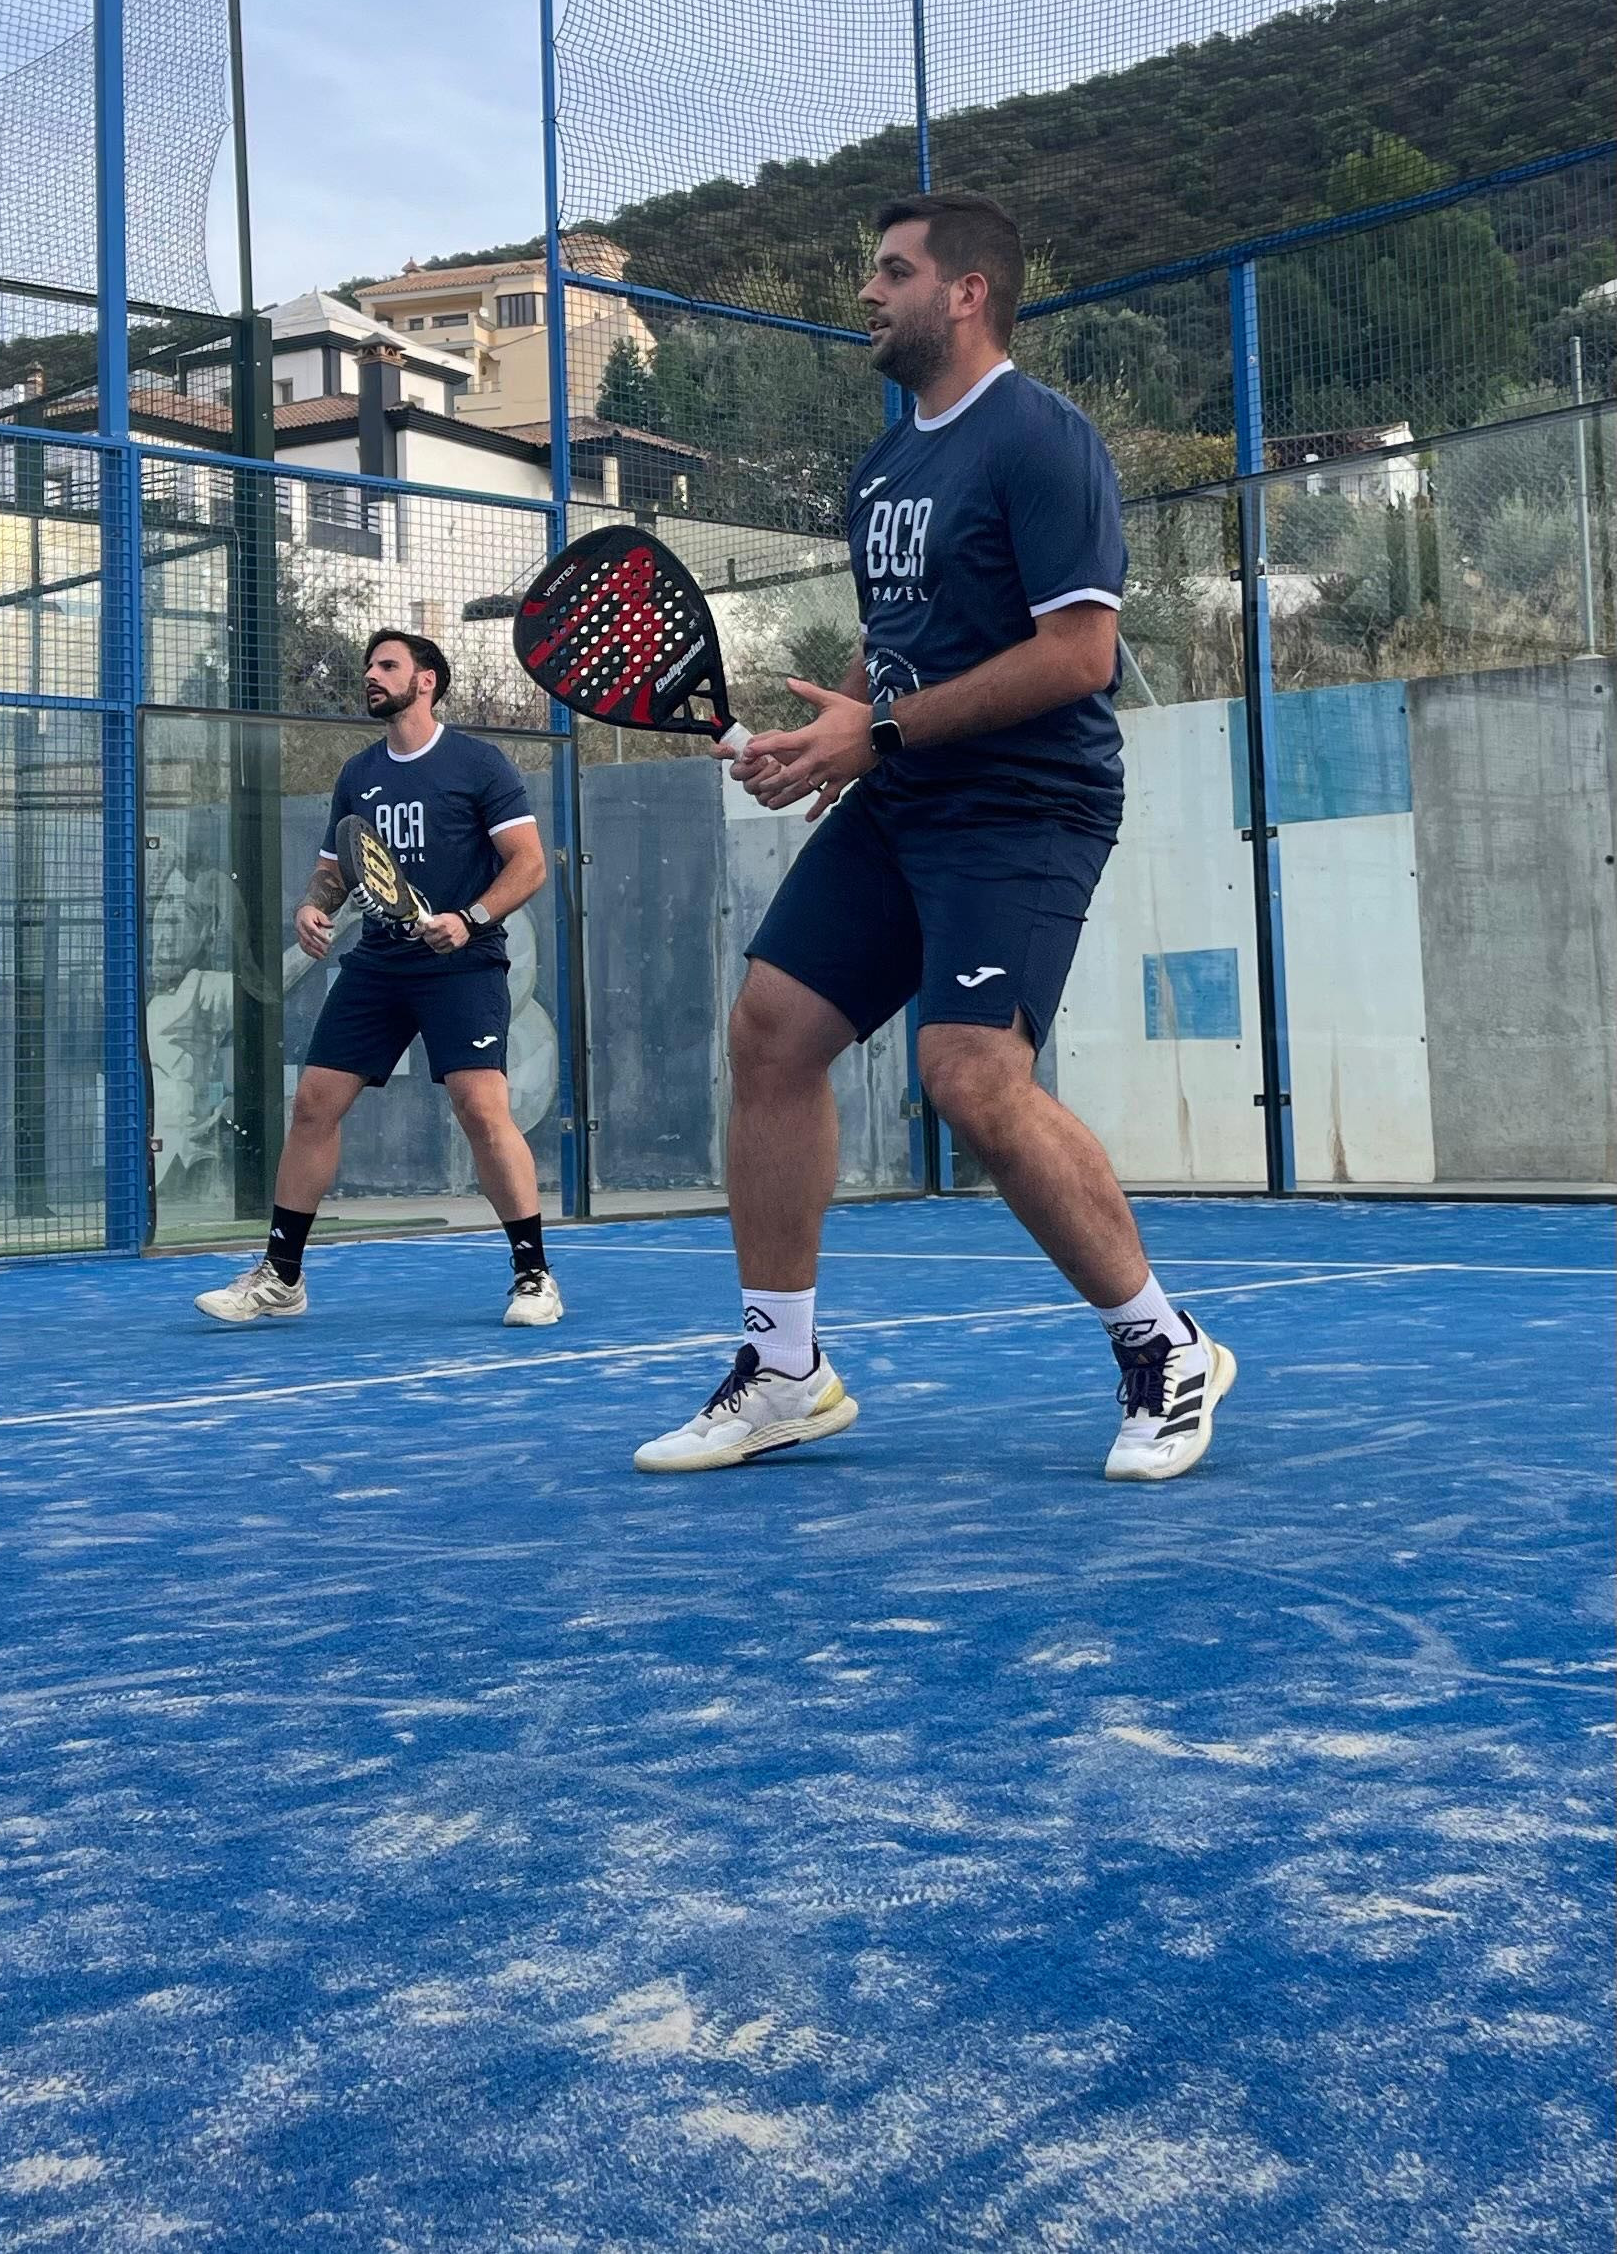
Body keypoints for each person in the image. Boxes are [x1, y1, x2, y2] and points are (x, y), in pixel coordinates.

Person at [633, 192, 1235, 1480]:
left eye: (892, 271)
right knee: (770, 1031)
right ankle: (783, 1371)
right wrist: (836, 729)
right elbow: (895, 637)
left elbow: (1077, 654)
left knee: (969, 1076)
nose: (867, 291)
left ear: (965, 292)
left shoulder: (1039, 438)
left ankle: (1164, 1343)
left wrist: (880, 732)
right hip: (903, 792)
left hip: (1024, 803)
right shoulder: (880, 469)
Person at [196, 630, 563, 1329]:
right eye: (369, 665)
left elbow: (528, 864)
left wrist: (469, 917)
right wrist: (313, 906)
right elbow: (336, 867)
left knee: (480, 1110)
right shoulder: (359, 772)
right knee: (313, 1104)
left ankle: (533, 1275)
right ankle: (281, 1276)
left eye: (388, 665)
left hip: (462, 963)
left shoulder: (478, 764)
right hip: (378, 963)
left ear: (426, 681)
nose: (371, 674)